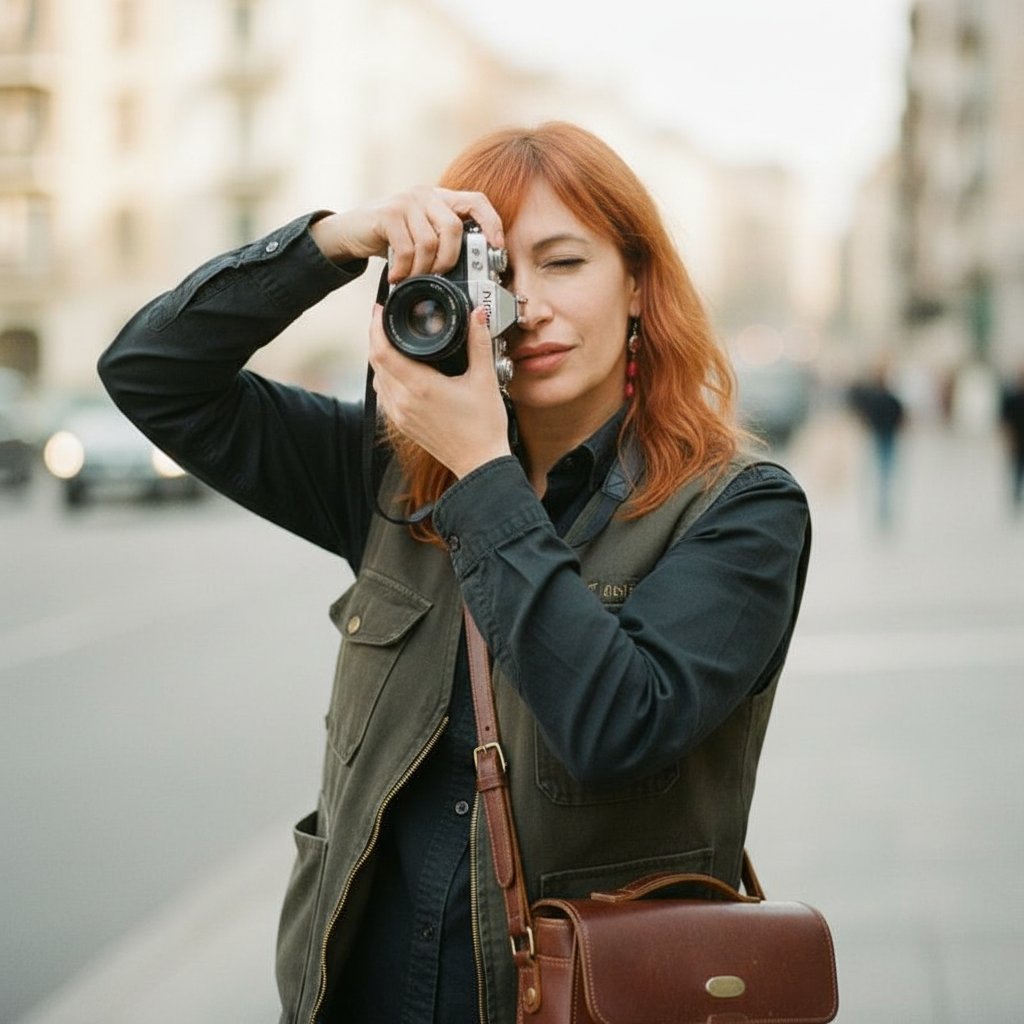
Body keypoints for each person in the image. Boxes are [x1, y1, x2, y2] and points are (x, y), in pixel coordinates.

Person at [98, 122, 811, 1024]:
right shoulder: (391, 479)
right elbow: (150, 372)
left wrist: (482, 473)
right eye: (497, 275)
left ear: (637, 283)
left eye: (563, 263)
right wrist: (333, 241)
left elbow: (617, 725)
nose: (530, 307)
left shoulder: (738, 509)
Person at [847, 361, 905, 529]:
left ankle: (878, 507)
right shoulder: (891, 398)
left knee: (876, 473)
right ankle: (882, 508)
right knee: (885, 475)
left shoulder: (874, 398)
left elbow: (865, 417)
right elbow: (901, 418)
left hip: (878, 437)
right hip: (887, 438)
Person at [1000, 366, 1024, 515]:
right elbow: (1005, 420)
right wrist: (1007, 439)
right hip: (1017, 441)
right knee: (1016, 471)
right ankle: (1014, 499)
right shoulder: (1012, 397)